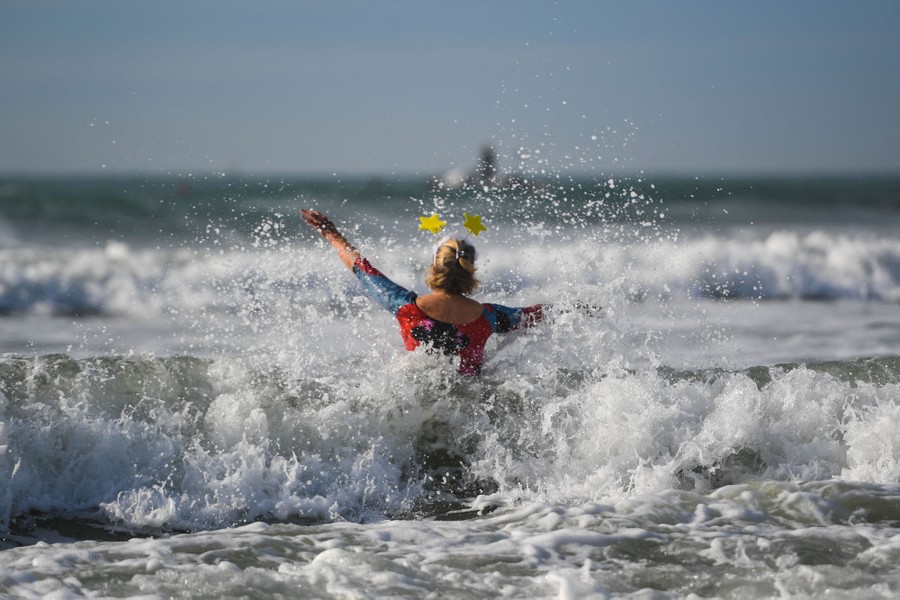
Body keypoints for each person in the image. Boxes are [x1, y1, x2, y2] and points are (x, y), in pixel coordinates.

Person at [301, 210, 544, 375]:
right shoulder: (490, 316)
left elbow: (363, 269)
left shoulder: (405, 307)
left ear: (433, 266)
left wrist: (331, 233)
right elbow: (533, 315)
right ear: (471, 272)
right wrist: (573, 308)